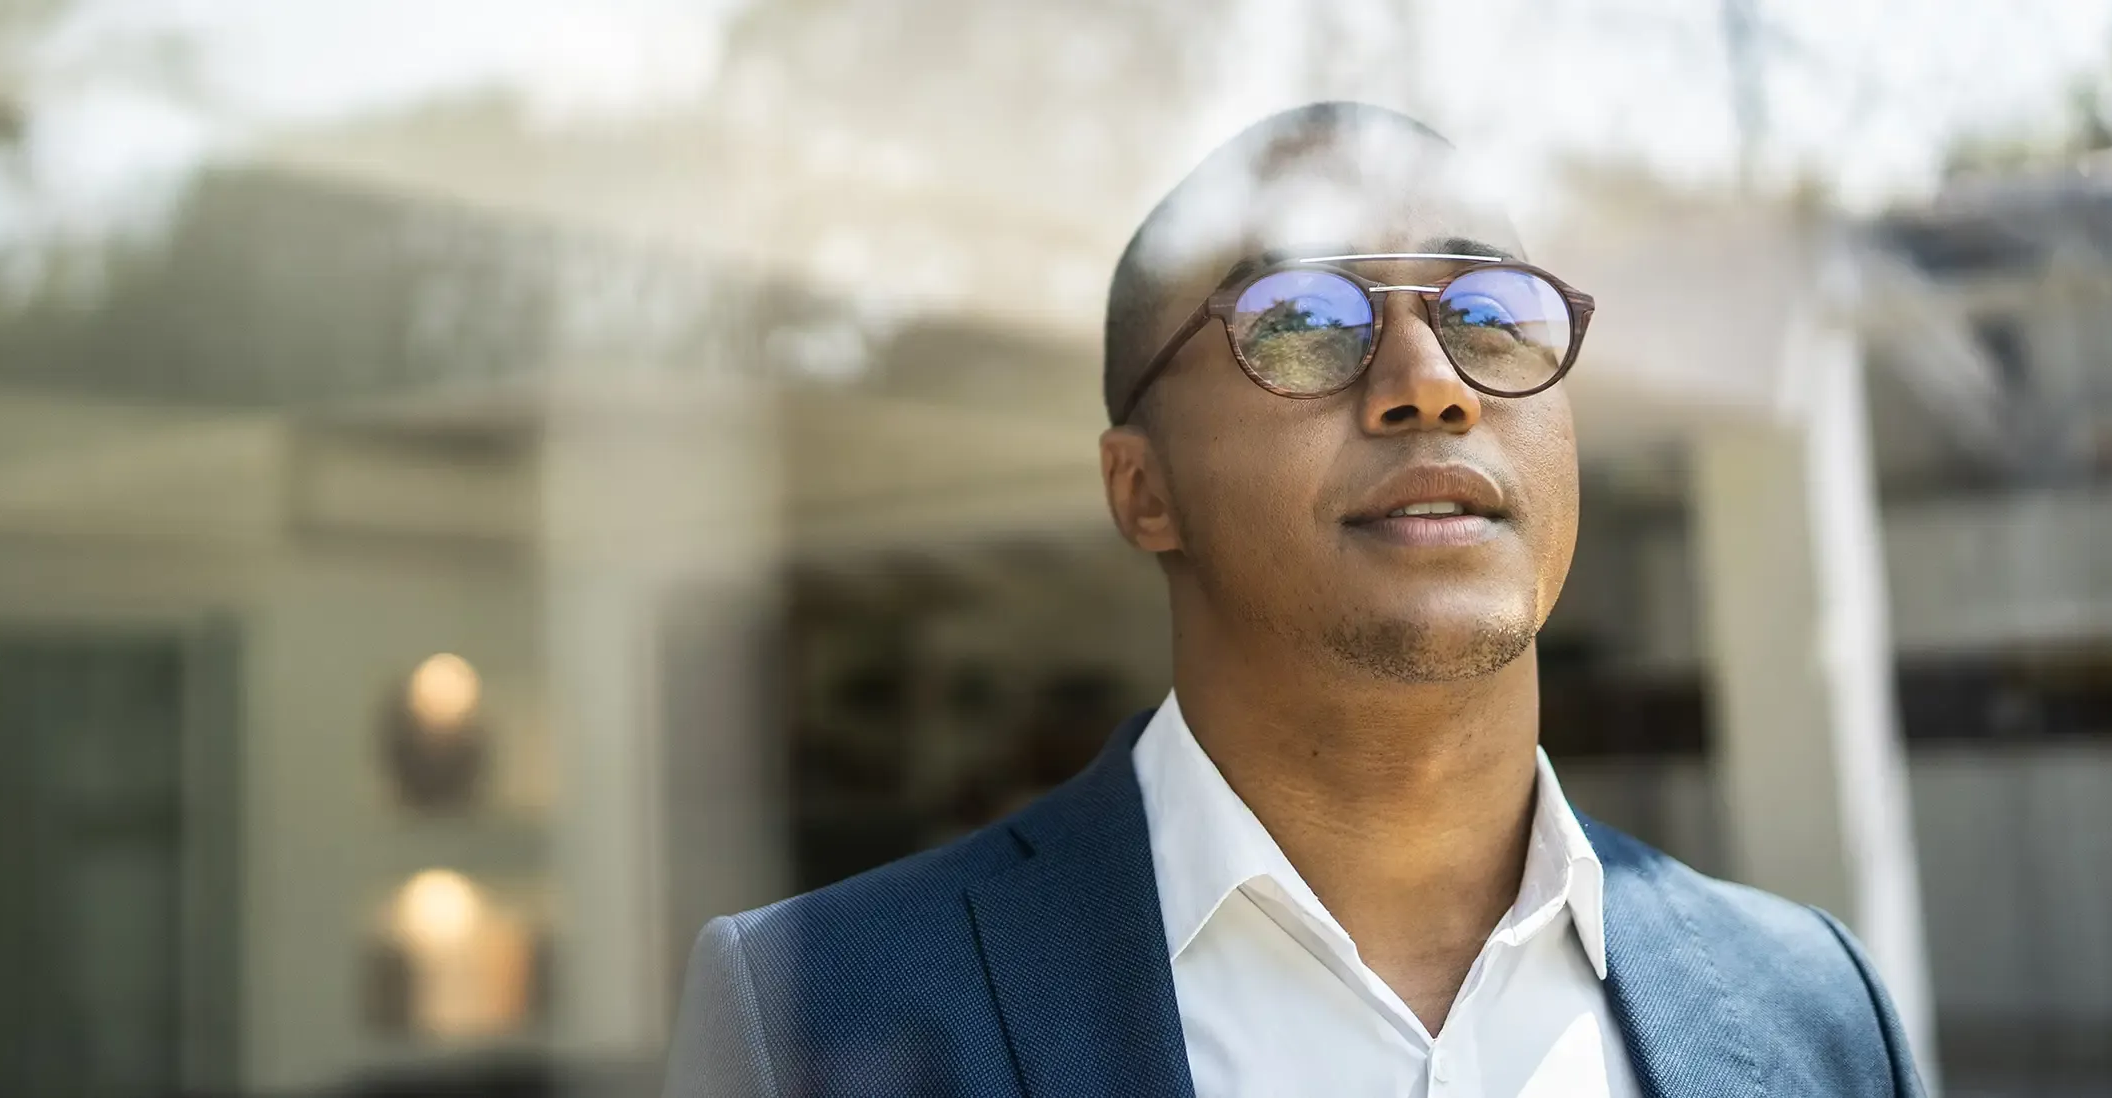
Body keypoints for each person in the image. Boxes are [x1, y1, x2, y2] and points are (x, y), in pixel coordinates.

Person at [663, 102, 1924, 1098]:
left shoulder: (1814, 1009)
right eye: (1305, 322)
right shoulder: (814, 1019)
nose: (1430, 382)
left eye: (1490, 314)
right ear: (1142, 490)